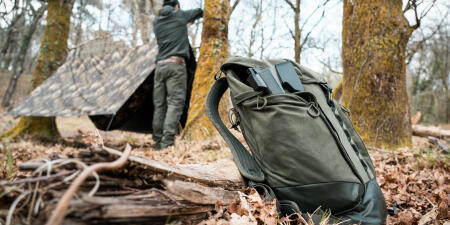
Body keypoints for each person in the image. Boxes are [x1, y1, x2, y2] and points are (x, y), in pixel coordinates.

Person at [152, 0, 203, 150]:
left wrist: (183, 25)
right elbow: (199, 12)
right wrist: (185, 19)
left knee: (159, 106)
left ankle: (157, 142)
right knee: (174, 103)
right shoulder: (179, 15)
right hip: (176, 65)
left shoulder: (157, 21)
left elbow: (171, 31)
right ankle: (167, 143)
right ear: (176, 6)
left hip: (160, 67)